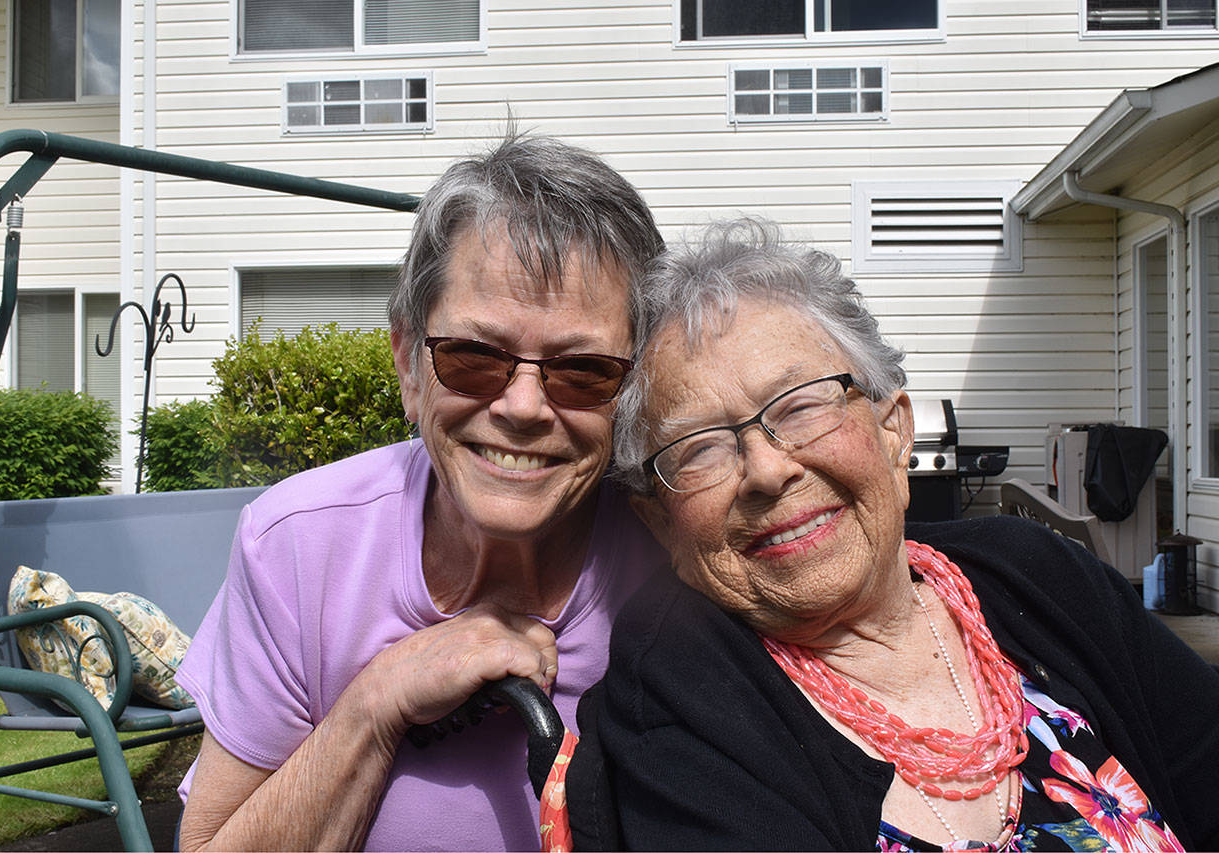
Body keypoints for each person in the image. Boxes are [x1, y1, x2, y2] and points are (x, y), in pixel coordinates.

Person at [566, 218, 1219, 850]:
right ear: (659, 520)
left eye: (801, 404)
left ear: (893, 432)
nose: (768, 469)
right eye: (698, 447)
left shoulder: (1044, 572)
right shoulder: (683, 695)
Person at [175, 134, 665, 851]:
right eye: (473, 356)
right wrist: (378, 701)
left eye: (583, 369)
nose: (523, 406)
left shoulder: (679, 550)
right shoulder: (296, 547)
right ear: (409, 363)